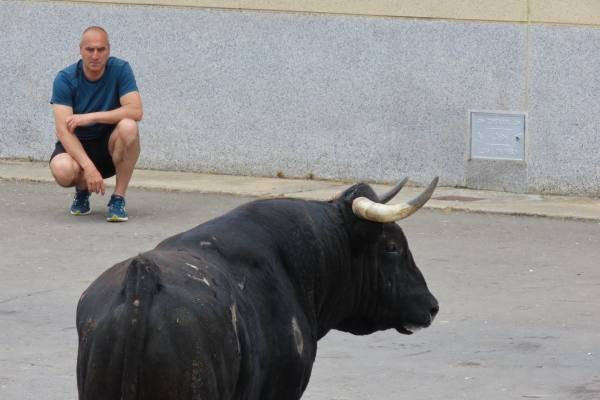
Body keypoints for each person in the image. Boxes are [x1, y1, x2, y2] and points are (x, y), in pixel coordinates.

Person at [49, 26, 142, 222]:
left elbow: (136, 111)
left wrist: (90, 117)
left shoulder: (120, 70)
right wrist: (89, 168)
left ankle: (118, 198)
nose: (95, 55)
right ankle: (83, 189)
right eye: (90, 49)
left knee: (129, 126)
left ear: (109, 50)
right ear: (80, 50)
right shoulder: (65, 78)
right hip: (78, 146)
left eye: (101, 49)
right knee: (62, 169)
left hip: (110, 146)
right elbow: (63, 130)